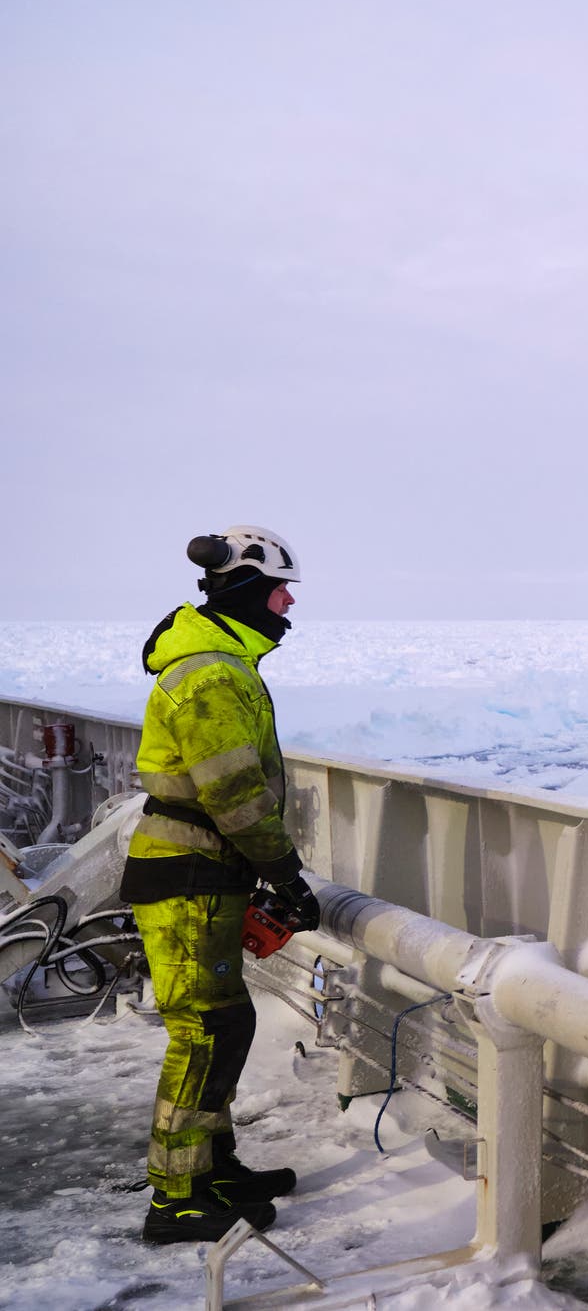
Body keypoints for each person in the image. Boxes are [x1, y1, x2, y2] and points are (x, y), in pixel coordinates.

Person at [121, 525, 320, 1244]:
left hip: (202, 874)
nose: (289, 601)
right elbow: (235, 795)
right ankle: (177, 1197)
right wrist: (287, 872)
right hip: (190, 877)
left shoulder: (222, 663)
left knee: (223, 1024)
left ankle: (211, 1169)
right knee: (203, 1031)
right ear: (244, 592)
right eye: (278, 588)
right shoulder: (212, 675)